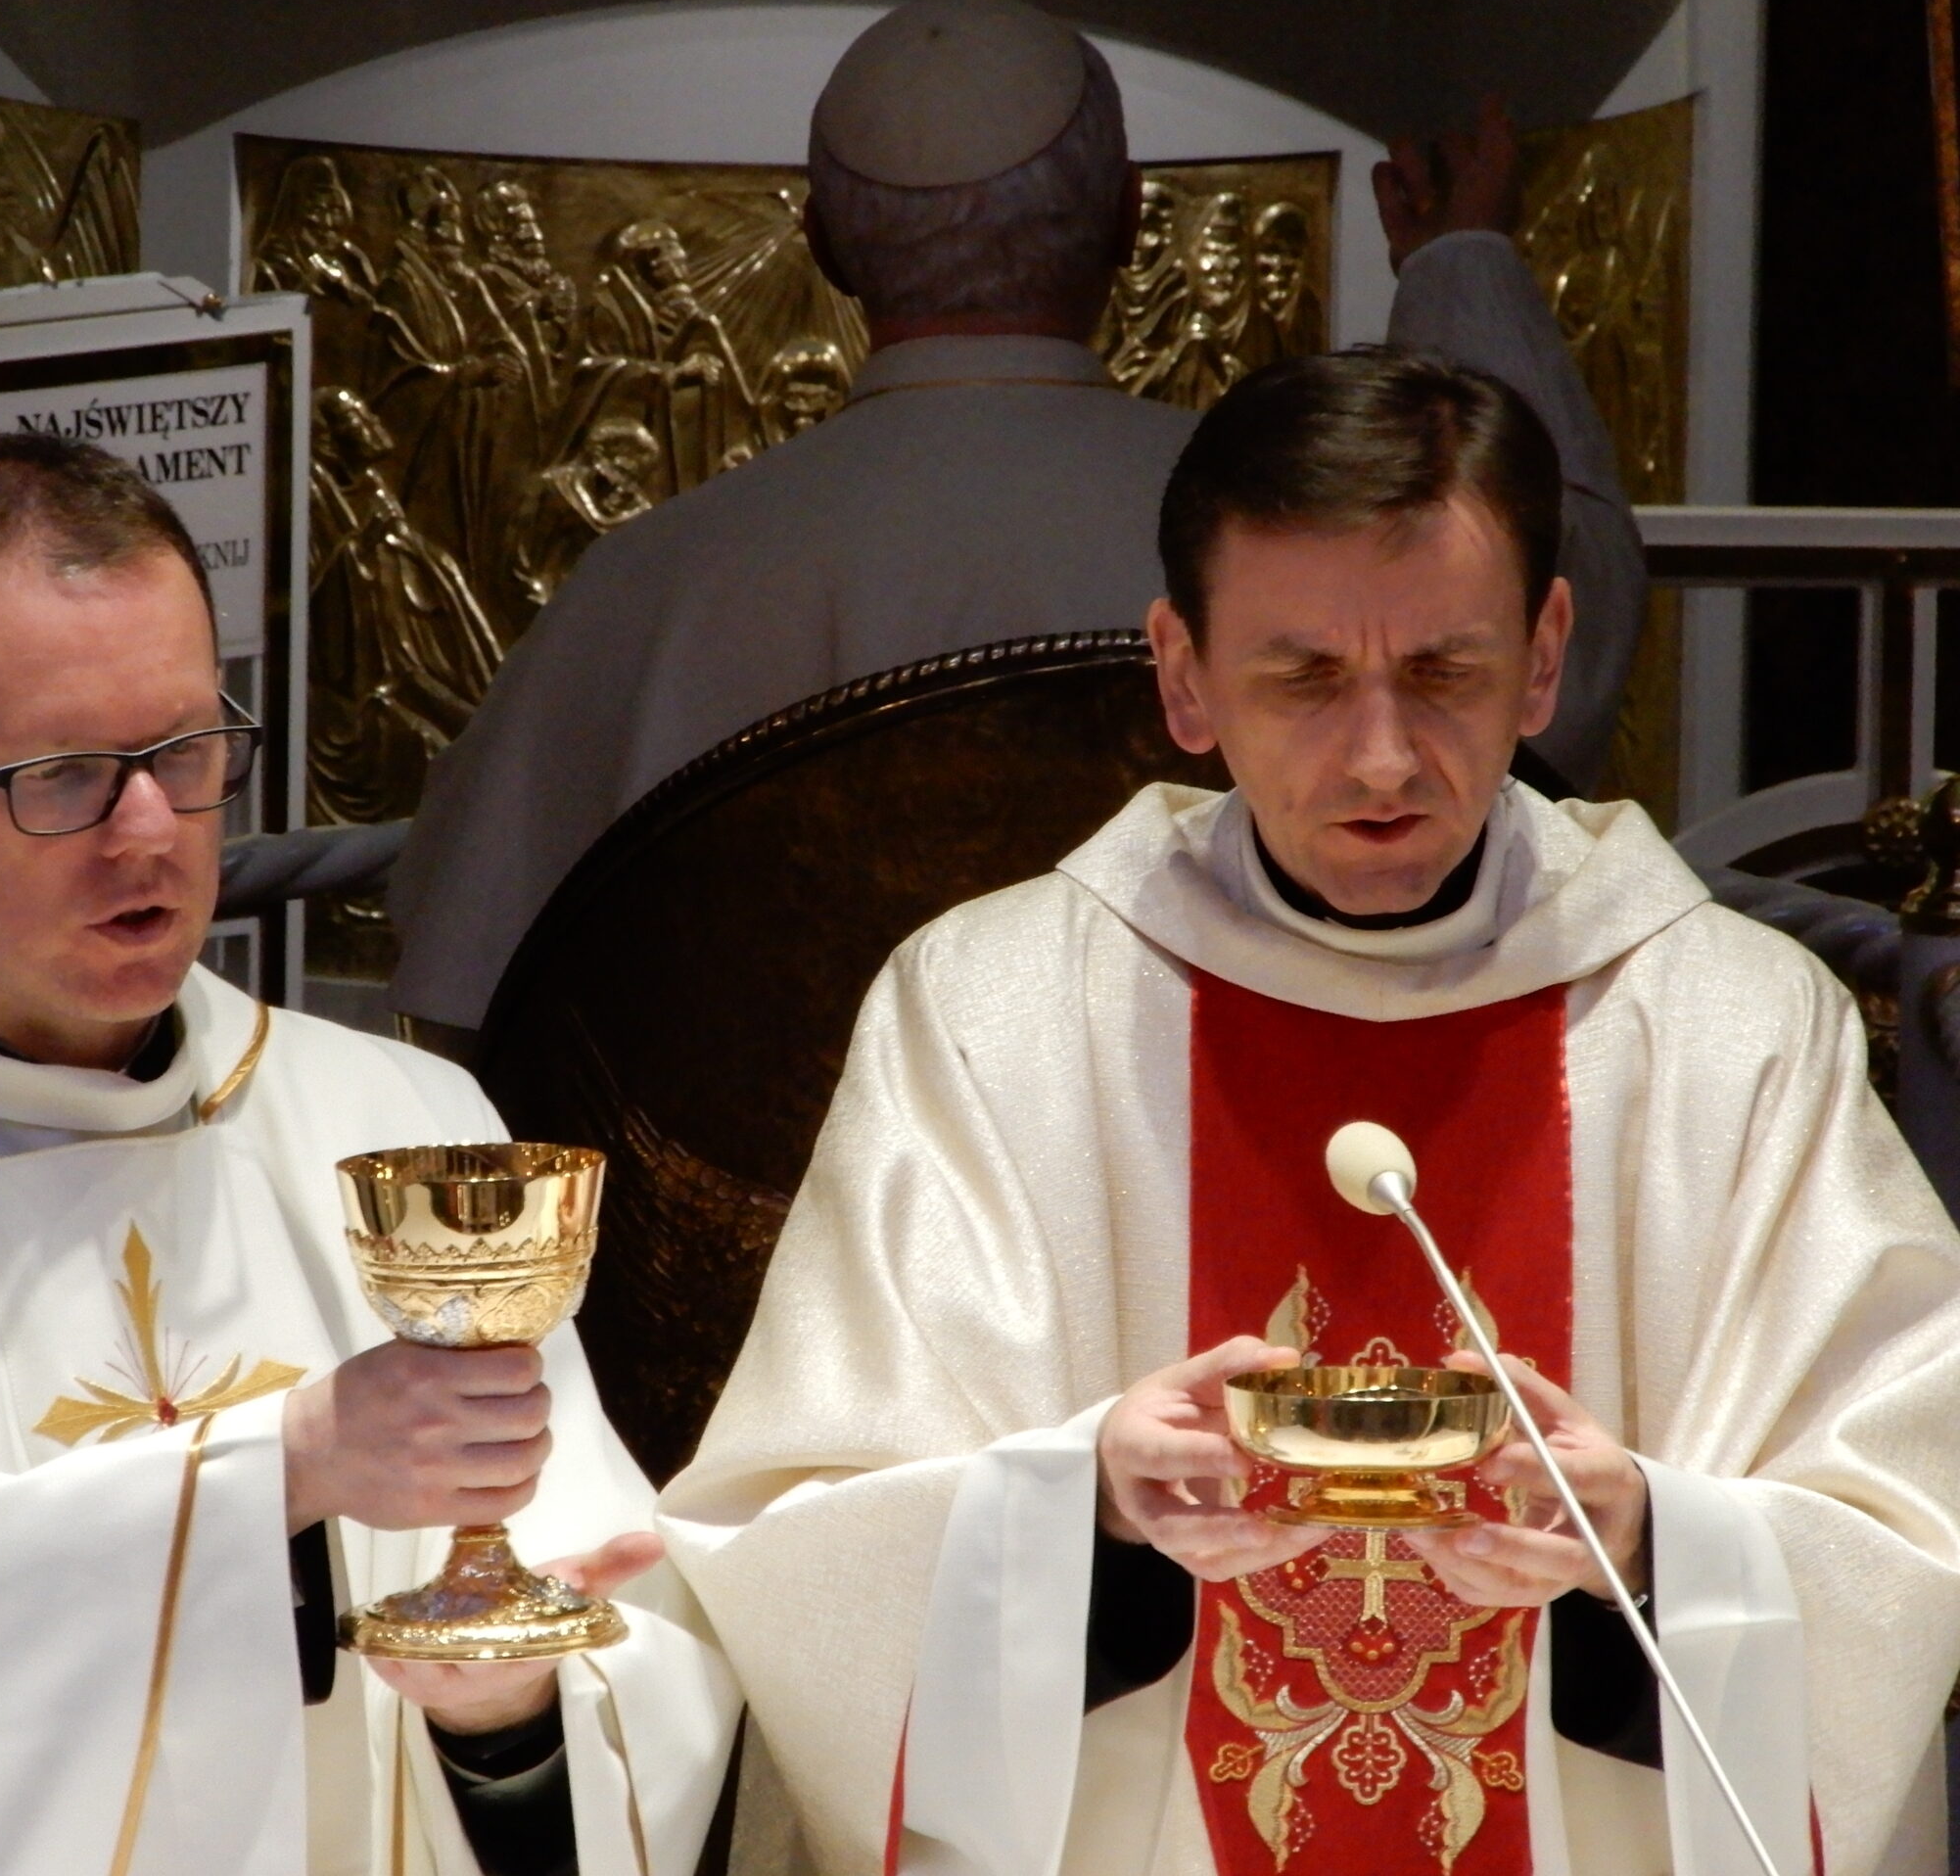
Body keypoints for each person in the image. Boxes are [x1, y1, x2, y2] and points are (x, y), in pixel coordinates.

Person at [659, 352, 1960, 1876]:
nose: (1383, 756)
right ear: (1183, 673)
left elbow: (1905, 1530)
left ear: (1545, 654)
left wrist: (1653, 1541)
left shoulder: (1730, 1028)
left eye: (1445, 671)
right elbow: (803, 1535)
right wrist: (1084, 1507)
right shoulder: (996, 1012)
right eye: (1306, 677)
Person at [0, 432, 737, 1876]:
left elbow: (613, 1629)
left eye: (183, 752)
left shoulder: (398, 1135)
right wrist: (285, 1465)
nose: (151, 830)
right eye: (65, 775)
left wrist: (505, 1718)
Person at [385, 0, 1647, 1049]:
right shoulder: (1281, 544)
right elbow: (1562, 647)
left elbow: (464, 1004)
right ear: (1130, 220)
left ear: (820, 242)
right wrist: (1461, 264)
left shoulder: (647, 585)